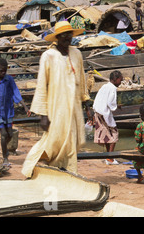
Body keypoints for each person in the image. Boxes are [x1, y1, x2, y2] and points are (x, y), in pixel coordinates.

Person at [21, 21, 93, 178]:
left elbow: (81, 81)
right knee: (53, 142)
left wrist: (87, 104)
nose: (67, 37)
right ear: (58, 37)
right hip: (55, 108)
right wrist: (43, 115)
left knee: (71, 143)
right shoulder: (48, 56)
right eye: (64, 35)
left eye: (69, 34)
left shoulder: (77, 54)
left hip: (73, 109)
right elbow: (41, 86)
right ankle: (34, 168)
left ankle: (69, 173)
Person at [0, 58, 30, 166]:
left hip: (7, 111)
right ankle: (5, 158)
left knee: (9, 134)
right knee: (3, 134)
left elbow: (15, 92)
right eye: (1, 71)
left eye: (5, 71)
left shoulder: (9, 80)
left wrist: (25, 106)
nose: (3, 73)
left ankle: (5, 149)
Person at [93, 70, 123, 165]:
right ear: (116, 79)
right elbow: (110, 102)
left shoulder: (104, 86)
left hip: (98, 112)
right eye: (120, 80)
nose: (121, 82)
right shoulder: (113, 88)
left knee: (106, 134)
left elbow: (100, 99)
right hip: (104, 114)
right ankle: (110, 158)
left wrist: (115, 106)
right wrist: (115, 107)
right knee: (114, 133)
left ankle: (108, 156)